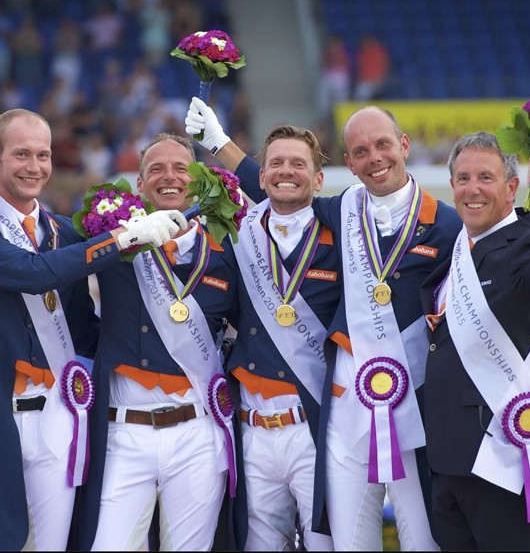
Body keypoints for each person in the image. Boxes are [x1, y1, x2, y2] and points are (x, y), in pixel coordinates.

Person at [186, 99, 462, 550]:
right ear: (349, 164)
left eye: (383, 145)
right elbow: (280, 190)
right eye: (361, 151)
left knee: (422, 540)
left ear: (404, 145)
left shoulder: (447, 224)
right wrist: (218, 143)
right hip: (346, 406)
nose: (374, 158)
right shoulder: (343, 210)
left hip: (412, 406)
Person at [0, 109, 186, 551]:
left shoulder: (63, 234)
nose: (34, 167)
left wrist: (165, 349)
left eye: (43, 155)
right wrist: (123, 237)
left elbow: (85, 330)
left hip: (60, 412)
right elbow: (33, 274)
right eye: (22, 154)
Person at [73, 133, 239, 551]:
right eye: (156, 170)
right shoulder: (112, 241)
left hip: (197, 430)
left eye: (181, 168)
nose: (169, 177)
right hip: (124, 431)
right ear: (140, 184)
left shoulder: (225, 253)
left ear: (198, 180)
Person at [420, 132, 530, 550]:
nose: (472, 189)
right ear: (451, 186)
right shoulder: (456, 250)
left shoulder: (528, 240)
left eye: (485, 178)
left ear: (511, 188)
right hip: (446, 459)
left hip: (501, 459)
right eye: (463, 178)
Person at [224, 125, 339, 550]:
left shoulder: (341, 238)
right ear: (261, 176)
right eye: (276, 163)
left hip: (313, 424)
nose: (285, 171)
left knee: (324, 542)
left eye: (297, 164)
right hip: (252, 426)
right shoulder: (238, 235)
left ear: (319, 179)